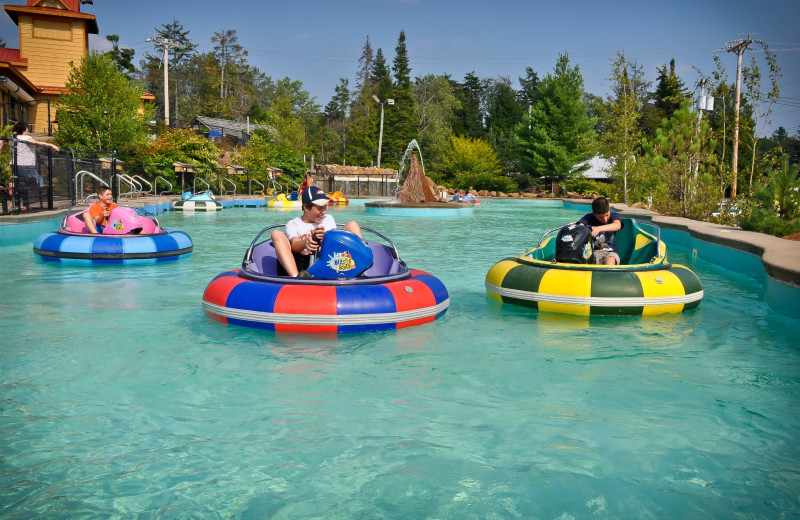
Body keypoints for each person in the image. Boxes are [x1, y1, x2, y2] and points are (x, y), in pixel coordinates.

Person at [271, 186, 362, 277]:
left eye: (325, 207)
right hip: (301, 264)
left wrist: (325, 238)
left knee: (352, 225)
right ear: (306, 207)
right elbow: (294, 245)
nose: (324, 212)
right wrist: (306, 241)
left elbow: (335, 249)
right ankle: (296, 277)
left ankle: (361, 270)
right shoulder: (293, 224)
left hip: (326, 262)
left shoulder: (328, 219)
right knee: (276, 233)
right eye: (320, 208)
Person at [10, 122, 59, 211]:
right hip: (26, 165)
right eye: (27, 128)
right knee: (39, 182)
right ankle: (13, 186)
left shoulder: (14, 139)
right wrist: (52, 145)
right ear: (25, 129)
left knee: (23, 184)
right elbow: (36, 143)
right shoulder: (26, 137)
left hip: (15, 164)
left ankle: (23, 204)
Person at [578, 197, 623, 265]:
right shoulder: (589, 217)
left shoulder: (613, 216)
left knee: (611, 260)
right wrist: (585, 229)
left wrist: (599, 228)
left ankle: (608, 273)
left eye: (607, 215)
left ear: (609, 209)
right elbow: (580, 227)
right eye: (601, 217)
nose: (605, 219)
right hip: (591, 252)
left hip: (609, 252)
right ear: (594, 214)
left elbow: (617, 225)